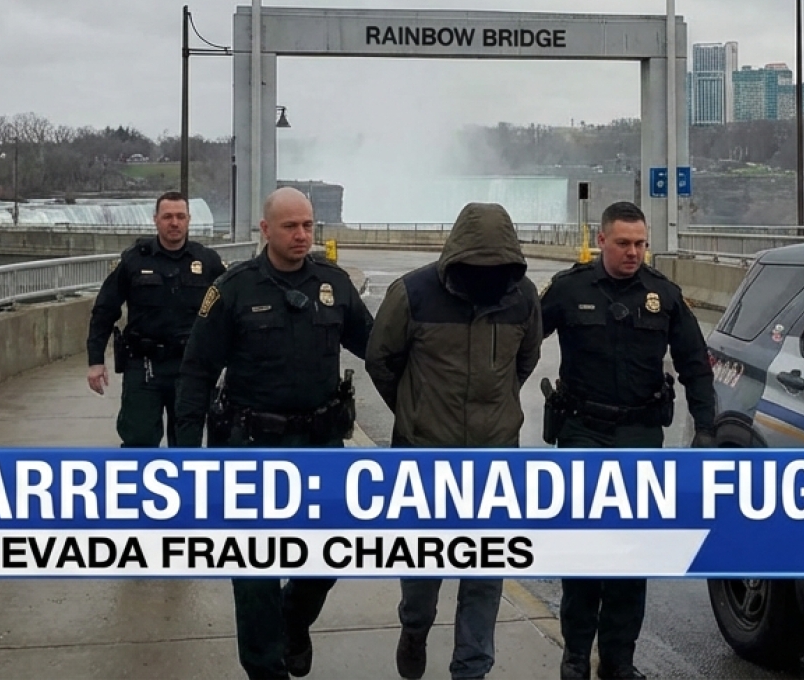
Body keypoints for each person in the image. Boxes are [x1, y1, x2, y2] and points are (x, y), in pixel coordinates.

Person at [175, 187, 372, 680]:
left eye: (308, 225)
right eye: (290, 226)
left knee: (331, 554)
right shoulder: (233, 289)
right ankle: (266, 668)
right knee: (254, 573)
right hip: (250, 446)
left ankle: (293, 618)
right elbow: (197, 373)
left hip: (320, 446)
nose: (302, 235)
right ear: (265, 230)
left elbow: (378, 349)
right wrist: (185, 460)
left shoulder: (334, 285)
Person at [539, 200, 715, 680]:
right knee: (584, 548)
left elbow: (695, 364)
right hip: (583, 429)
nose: (633, 252)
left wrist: (706, 427)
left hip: (640, 432)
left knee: (631, 551)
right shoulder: (569, 290)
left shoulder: (664, 295)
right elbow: (521, 343)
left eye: (640, 244)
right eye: (623, 243)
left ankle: (619, 659)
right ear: (602, 241)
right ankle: (576, 654)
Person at [366, 202, 542, 680]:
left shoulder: (523, 296)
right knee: (422, 571)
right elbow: (380, 359)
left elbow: (525, 359)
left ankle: (471, 668)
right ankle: (415, 627)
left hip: (495, 462)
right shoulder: (413, 293)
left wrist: (497, 409)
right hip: (425, 458)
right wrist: (414, 412)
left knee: (485, 574)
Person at [86, 191, 226, 448]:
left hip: (190, 368)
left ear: (189, 219)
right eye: (167, 217)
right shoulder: (134, 260)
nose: (174, 223)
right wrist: (96, 360)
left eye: (180, 217)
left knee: (186, 444)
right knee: (138, 439)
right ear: (156, 220)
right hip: (144, 366)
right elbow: (105, 309)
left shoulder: (207, 261)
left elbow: (228, 313)